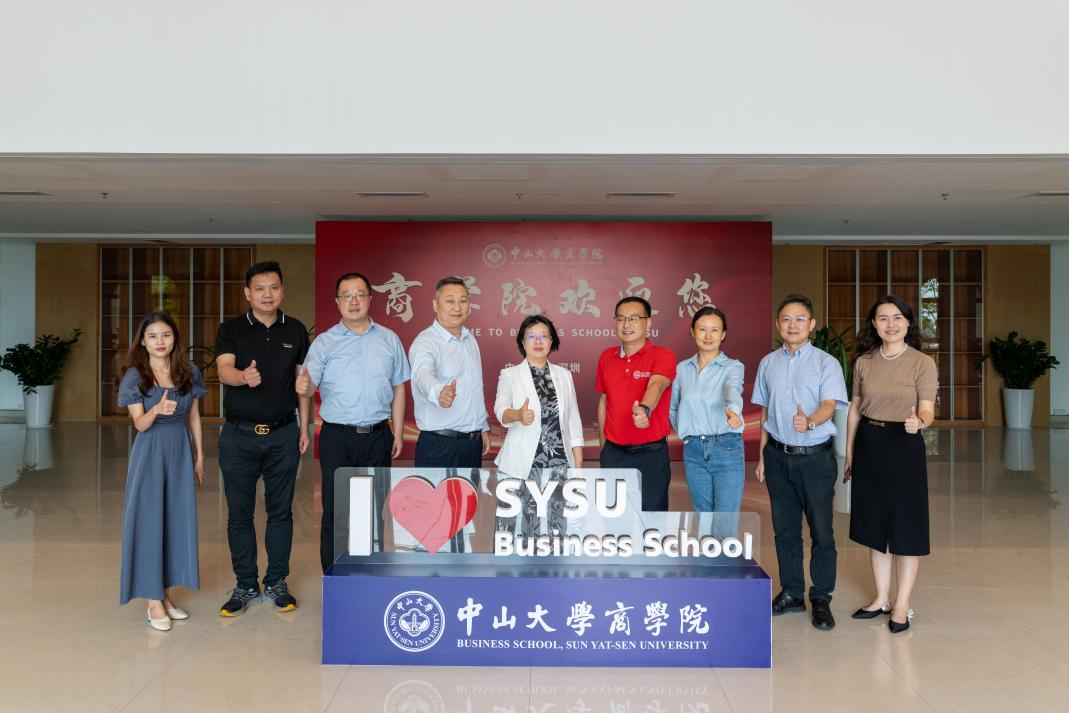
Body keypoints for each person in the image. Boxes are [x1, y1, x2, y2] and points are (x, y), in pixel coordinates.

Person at [214, 261, 311, 616]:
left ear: (282, 290)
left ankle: (276, 582)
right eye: (260, 288)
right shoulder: (231, 329)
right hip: (238, 436)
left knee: (280, 512)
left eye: (274, 287)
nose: (267, 294)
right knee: (239, 514)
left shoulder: (296, 330)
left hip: (283, 434)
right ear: (247, 293)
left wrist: (304, 427)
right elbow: (223, 369)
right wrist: (243, 377)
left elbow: (303, 383)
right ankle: (245, 585)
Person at [296, 272, 410, 572]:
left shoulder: (389, 339)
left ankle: (369, 574)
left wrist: (398, 433)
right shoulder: (324, 343)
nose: (354, 301)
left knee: (374, 511)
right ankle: (334, 577)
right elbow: (308, 386)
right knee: (336, 511)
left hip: (377, 436)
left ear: (370, 299)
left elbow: (399, 388)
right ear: (337, 302)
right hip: (337, 438)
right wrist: (303, 390)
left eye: (360, 294)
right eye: (347, 296)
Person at [752, 293, 848, 631]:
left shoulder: (826, 363)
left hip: (815, 459)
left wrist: (810, 421)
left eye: (800, 319)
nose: (792, 325)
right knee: (785, 530)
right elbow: (764, 411)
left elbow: (829, 405)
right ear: (778, 325)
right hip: (778, 457)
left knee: (821, 530)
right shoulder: (768, 363)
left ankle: (820, 597)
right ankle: (792, 592)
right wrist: (762, 454)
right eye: (786, 319)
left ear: (812, 324)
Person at [845, 295, 936, 634]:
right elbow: (855, 409)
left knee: (905, 527)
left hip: (904, 444)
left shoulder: (922, 363)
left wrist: (920, 422)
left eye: (897, 317)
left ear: (908, 322)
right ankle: (881, 598)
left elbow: (927, 408)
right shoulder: (864, 362)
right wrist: (849, 452)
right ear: (874, 324)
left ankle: (901, 604)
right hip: (869, 444)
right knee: (875, 527)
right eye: (883, 318)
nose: (891, 324)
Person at [118, 311, 206, 631]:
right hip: (150, 452)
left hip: (179, 450)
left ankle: (165, 593)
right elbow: (140, 425)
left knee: (173, 520)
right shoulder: (135, 376)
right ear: (143, 341)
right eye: (152, 336)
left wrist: (199, 456)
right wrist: (156, 409)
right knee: (149, 521)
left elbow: (194, 416)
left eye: (166, 335)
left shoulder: (188, 370)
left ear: (174, 339)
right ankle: (152, 601)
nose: (160, 341)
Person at [493, 314, 584, 534]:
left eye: (544, 336)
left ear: (552, 341)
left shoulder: (564, 375)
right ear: (522, 342)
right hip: (521, 463)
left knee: (556, 526)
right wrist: (517, 415)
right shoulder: (510, 375)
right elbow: (501, 410)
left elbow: (573, 422)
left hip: (559, 463)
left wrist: (578, 468)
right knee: (515, 528)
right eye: (531, 336)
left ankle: (553, 558)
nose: (538, 341)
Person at [669, 306, 745, 537]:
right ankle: (708, 560)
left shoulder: (732, 366)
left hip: (726, 446)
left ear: (723, 334)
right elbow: (673, 407)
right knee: (703, 516)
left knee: (725, 518)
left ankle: (725, 561)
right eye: (702, 329)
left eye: (715, 330)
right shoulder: (682, 369)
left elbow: (733, 390)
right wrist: (686, 432)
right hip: (693, 449)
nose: (708, 336)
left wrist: (734, 412)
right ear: (693, 332)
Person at [596, 296, 677, 512]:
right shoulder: (607, 357)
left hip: (651, 455)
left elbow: (657, 384)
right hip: (613, 454)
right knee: (614, 521)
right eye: (621, 318)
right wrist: (604, 448)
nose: (626, 324)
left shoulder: (663, 355)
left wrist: (645, 409)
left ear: (648, 322)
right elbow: (604, 401)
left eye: (633, 318)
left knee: (652, 522)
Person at [409, 276, 490, 470]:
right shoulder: (426, 342)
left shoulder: (469, 339)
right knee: (437, 493)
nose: (457, 307)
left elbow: (474, 388)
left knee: (471, 492)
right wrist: (439, 391)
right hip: (440, 446)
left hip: (472, 444)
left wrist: (482, 427)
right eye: (450, 301)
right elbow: (422, 375)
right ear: (435, 305)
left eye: (463, 301)